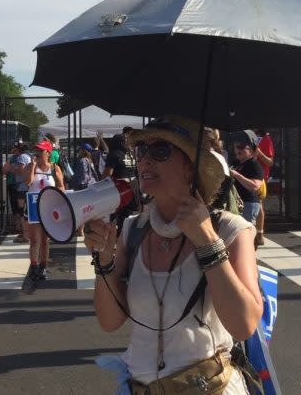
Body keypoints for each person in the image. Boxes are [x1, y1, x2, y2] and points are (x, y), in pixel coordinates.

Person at [83, 115, 262, 394]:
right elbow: (110, 322)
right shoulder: (133, 229)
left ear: (189, 168)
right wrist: (103, 260)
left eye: (161, 151)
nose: (145, 161)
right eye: (142, 151)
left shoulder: (230, 229)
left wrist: (207, 240)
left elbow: (244, 325)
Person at [21, 140, 65, 284]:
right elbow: (27, 182)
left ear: (48, 153)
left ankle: (43, 267)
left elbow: (61, 187)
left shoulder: (54, 168)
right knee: (35, 240)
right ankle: (34, 267)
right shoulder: (30, 166)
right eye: (36, 151)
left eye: (41, 151)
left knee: (45, 241)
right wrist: (33, 165)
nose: (38, 153)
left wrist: (58, 190)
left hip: (48, 207)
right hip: (34, 207)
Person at [104, 133, 135, 234]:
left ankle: (117, 240)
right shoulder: (131, 154)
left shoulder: (114, 154)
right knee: (128, 217)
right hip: (133, 189)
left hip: (119, 191)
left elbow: (107, 175)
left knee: (114, 217)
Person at [230, 135, 264, 224]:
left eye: (241, 147)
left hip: (248, 203)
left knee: (246, 231)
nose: (238, 149)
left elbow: (255, 186)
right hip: (237, 202)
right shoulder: (236, 163)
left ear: (250, 150)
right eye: (236, 147)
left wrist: (237, 175)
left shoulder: (255, 165)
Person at [3, 142, 31, 240]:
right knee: (25, 210)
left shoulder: (22, 157)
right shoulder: (28, 156)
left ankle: (24, 233)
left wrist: (12, 169)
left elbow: (20, 171)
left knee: (21, 210)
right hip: (25, 186)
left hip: (22, 187)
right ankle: (24, 231)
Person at [254, 129, 275, 246]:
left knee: (259, 204)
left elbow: (270, 162)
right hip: (248, 173)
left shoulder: (266, 140)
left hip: (260, 176)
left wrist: (259, 153)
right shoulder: (249, 137)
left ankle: (260, 234)